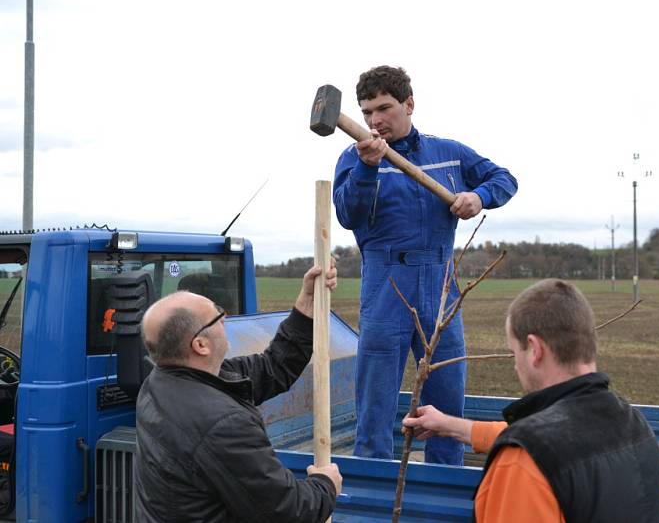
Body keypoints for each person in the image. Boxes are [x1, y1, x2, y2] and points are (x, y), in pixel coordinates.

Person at [333, 65, 518, 466]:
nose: (374, 120)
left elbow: (504, 178)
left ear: (409, 104)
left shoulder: (447, 153)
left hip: (440, 282)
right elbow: (348, 214)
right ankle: (373, 492)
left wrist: (479, 197)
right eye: (366, 112)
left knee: (447, 398)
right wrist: (367, 168)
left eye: (383, 108)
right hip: (385, 286)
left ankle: (443, 488)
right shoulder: (355, 157)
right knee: (376, 401)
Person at [403, 279, 659, 522]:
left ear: (535, 350)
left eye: (514, 352)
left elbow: (540, 447)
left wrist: (515, 448)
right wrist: (448, 425)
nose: (515, 366)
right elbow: (558, 442)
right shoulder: (636, 428)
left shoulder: (523, 463)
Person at [135, 265, 342, 523]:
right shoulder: (221, 424)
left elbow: (273, 367)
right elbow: (287, 512)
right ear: (200, 345)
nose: (224, 319)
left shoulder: (162, 382)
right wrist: (325, 484)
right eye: (217, 317)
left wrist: (306, 303)